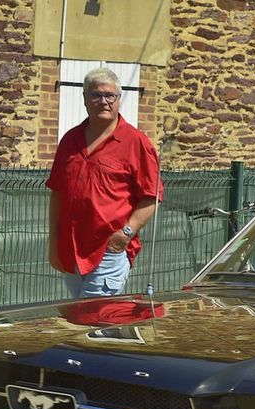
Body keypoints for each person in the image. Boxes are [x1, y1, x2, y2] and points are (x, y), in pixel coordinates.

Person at [46, 67, 163, 299]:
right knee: (83, 320)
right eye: (96, 95)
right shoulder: (70, 140)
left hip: (108, 251)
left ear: (119, 100)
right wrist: (54, 243)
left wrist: (125, 234)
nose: (104, 101)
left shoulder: (135, 142)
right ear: (84, 99)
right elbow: (58, 193)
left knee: (91, 317)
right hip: (71, 249)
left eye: (110, 96)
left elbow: (152, 196)